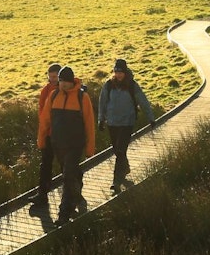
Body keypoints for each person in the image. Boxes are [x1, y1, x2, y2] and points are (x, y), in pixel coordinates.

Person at [38, 66, 96, 224]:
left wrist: (90, 148)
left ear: (72, 82)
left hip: (75, 145)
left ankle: (64, 214)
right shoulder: (53, 95)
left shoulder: (82, 98)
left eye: (65, 81)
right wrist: (41, 139)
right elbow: (45, 121)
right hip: (58, 144)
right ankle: (76, 194)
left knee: (67, 175)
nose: (62, 84)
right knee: (71, 173)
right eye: (61, 81)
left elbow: (89, 124)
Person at [98, 58, 155, 191]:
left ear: (125, 72)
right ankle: (126, 167)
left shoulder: (132, 85)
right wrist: (101, 119)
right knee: (117, 151)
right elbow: (102, 102)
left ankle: (116, 181)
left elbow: (143, 101)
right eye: (116, 72)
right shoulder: (108, 85)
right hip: (112, 122)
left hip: (127, 122)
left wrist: (151, 118)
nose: (118, 74)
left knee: (120, 149)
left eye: (121, 72)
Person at [35, 63, 63, 206]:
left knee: (66, 165)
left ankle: (74, 193)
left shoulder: (65, 90)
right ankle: (42, 195)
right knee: (45, 165)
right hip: (48, 133)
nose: (52, 79)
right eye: (50, 76)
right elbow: (41, 111)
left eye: (55, 76)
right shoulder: (45, 91)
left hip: (62, 134)